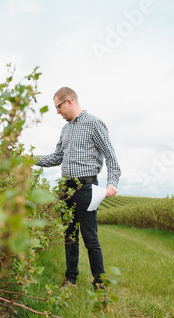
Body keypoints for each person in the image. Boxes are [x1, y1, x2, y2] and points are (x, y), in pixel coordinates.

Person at [35, 87, 121, 290]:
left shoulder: (94, 123)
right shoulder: (65, 130)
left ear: (69, 101)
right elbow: (57, 157)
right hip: (66, 190)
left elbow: (111, 156)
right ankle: (70, 280)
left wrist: (112, 182)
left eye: (58, 107)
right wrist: (32, 159)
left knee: (90, 238)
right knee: (69, 236)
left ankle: (100, 283)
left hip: (87, 189)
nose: (57, 112)